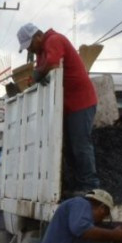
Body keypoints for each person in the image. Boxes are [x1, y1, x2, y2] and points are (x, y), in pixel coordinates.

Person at [17, 22, 100, 193]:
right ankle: (77, 185)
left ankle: (90, 186)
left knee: (80, 145)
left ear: (38, 36)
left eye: (29, 45)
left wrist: (40, 73)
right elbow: (42, 70)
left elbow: (53, 64)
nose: (29, 50)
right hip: (68, 106)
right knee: (69, 148)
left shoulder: (54, 40)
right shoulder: (41, 52)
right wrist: (37, 75)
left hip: (81, 102)